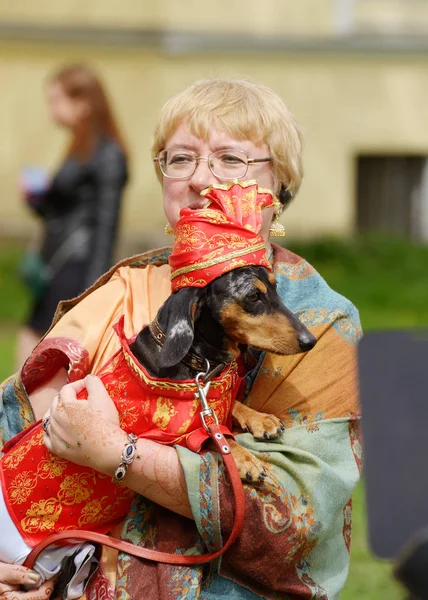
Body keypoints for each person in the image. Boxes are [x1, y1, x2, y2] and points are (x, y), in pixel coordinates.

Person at [0, 77, 362, 600]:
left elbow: (291, 522)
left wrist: (116, 453)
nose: (201, 180)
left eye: (231, 161)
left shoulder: (322, 323)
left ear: (278, 186)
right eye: (181, 159)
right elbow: (13, 435)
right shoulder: (119, 291)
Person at [16, 64, 129, 367]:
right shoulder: (80, 146)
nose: (51, 109)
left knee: (47, 348)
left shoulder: (108, 155)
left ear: (83, 104)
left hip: (77, 267)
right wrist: (35, 198)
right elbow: (59, 211)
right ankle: (23, 408)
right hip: (58, 263)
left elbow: (106, 227)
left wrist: (92, 290)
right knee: (33, 343)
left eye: (56, 100)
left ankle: (30, 410)